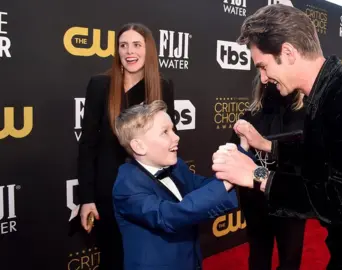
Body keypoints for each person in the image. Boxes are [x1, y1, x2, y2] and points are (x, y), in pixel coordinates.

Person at [211, 4, 342, 269]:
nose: (263, 79)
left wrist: (258, 176)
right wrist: (267, 145)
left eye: (264, 66)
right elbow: (326, 153)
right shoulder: (328, 91)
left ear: (288, 52)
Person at [77, 23, 175, 270]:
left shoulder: (162, 87)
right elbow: (88, 144)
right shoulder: (100, 85)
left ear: (148, 50)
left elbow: (166, 142)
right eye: (123, 45)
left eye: (136, 45)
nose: (129, 51)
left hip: (147, 192)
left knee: (145, 258)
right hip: (108, 190)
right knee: (112, 257)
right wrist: (87, 199)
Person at [112, 100, 238, 270]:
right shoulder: (127, 185)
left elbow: (203, 187)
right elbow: (171, 216)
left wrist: (238, 163)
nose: (176, 137)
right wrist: (229, 180)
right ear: (139, 146)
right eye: (165, 132)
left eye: (173, 129)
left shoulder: (177, 166)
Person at [229, 74, 306, 270]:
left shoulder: (305, 114)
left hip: (291, 203)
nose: (268, 78)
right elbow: (235, 157)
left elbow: (307, 163)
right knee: (258, 255)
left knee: (290, 258)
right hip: (255, 201)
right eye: (263, 71)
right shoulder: (249, 115)